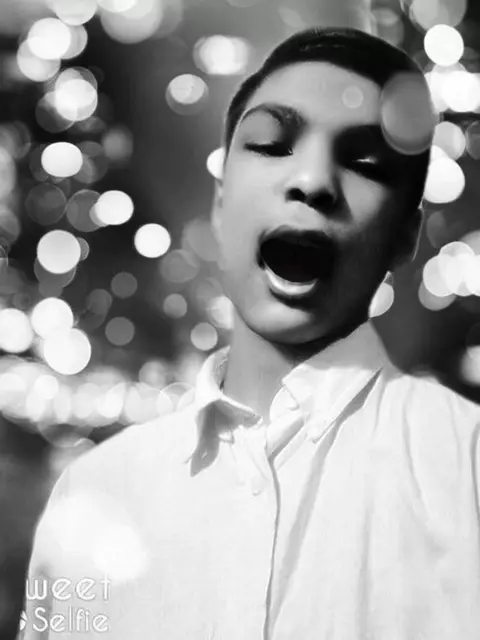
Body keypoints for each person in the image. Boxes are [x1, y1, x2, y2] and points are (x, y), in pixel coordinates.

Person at [21, 27, 480, 640]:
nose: (313, 181)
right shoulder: (94, 494)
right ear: (220, 202)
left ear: (405, 236)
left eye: (364, 163)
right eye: (270, 144)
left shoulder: (467, 469)